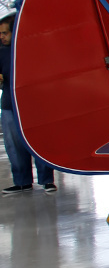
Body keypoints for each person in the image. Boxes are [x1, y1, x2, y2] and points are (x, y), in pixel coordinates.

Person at [0, 17, 55, 194]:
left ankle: (46, 180)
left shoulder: (31, 49)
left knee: (39, 142)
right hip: (9, 105)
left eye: (5, 33)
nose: (2, 37)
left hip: (32, 104)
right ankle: (22, 181)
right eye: (0, 33)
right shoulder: (1, 52)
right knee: (13, 146)